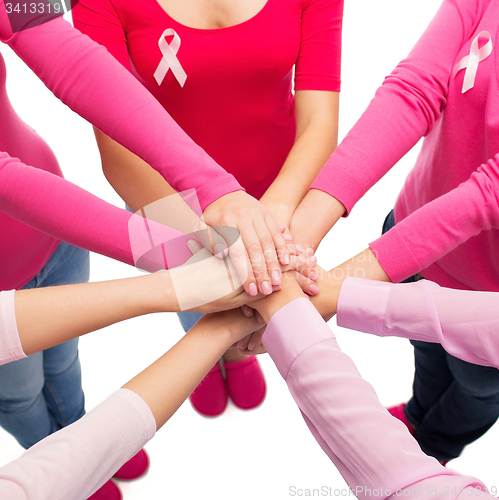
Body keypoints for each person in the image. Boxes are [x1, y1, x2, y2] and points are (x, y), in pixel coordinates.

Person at [0, 1, 299, 497]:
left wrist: (213, 187)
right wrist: (177, 260)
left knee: (63, 362)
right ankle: (57, 463)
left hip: (59, 238)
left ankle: (80, 432)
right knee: (20, 395)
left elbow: (73, 60)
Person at [0, 264, 496, 500]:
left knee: (61, 371)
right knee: (24, 393)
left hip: (262, 201)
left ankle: (228, 354)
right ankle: (218, 346)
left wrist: (262, 309)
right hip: (171, 203)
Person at [72, 0, 342, 416]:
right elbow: (116, 148)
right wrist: (204, 243)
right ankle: (208, 357)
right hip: (163, 198)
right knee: (199, 291)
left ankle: (235, 355)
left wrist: (269, 219)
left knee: (255, 289)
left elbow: (319, 121)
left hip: (277, 191)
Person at [288, 0, 499, 464]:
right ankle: (421, 410)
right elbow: (414, 90)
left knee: (477, 390)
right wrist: (297, 239)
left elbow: (491, 192)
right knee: (426, 350)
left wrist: (336, 287)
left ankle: (438, 443)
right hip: (409, 243)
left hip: (488, 300)